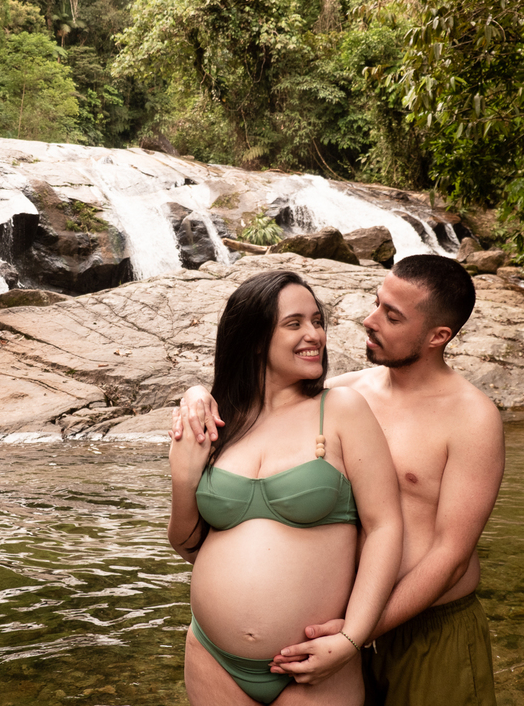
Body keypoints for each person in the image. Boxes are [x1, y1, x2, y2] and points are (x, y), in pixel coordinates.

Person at [173, 255, 505, 706]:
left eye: (391, 315)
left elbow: (450, 557)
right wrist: (196, 395)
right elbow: (266, 399)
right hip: (329, 628)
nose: (369, 321)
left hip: (425, 626)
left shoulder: (472, 417)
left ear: (437, 336)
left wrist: (356, 630)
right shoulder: (347, 393)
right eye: (376, 304)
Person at [168, 270, 404, 705]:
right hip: (212, 657)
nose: (313, 334)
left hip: (313, 665)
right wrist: (183, 478)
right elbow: (186, 542)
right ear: (256, 338)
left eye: (317, 321)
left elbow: (384, 527)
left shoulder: (341, 410)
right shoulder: (223, 420)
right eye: (294, 323)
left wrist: (353, 637)